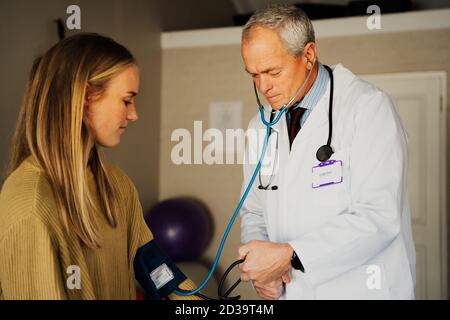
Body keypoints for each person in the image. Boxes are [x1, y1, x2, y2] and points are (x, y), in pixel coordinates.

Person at [0, 33, 199, 300]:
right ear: (84, 98)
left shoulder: (116, 184)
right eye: (126, 100)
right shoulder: (31, 202)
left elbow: (154, 267)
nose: (134, 114)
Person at [237, 5, 416, 300]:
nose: (263, 86)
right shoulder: (261, 126)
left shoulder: (368, 108)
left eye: (272, 71)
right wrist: (263, 268)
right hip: (290, 292)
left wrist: (290, 256)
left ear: (308, 55)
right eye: (253, 74)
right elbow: (254, 211)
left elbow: (379, 216)